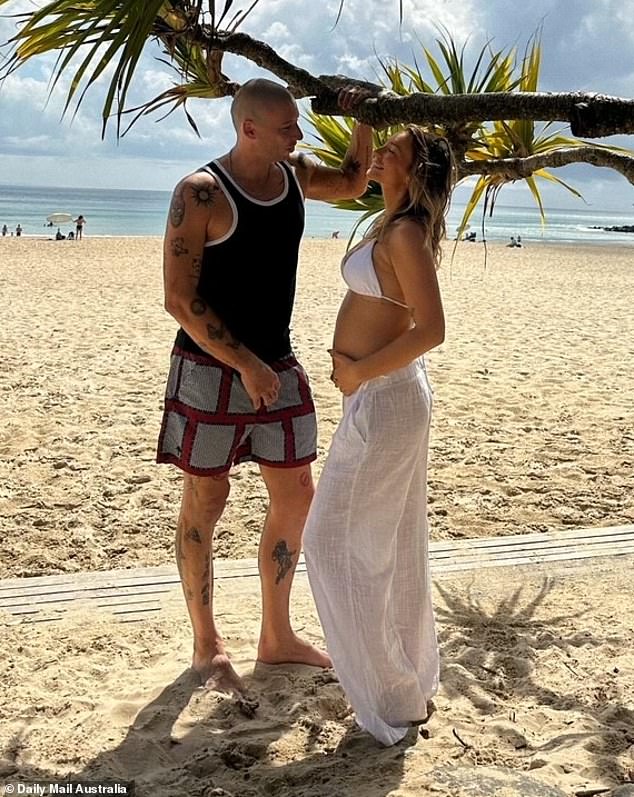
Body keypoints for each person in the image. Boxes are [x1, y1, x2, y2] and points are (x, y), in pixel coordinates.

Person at [156, 78, 373, 695]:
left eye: (297, 125)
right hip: (209, 371)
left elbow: (357, 182)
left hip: (277, 365)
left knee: (297, 495)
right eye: (286, 127)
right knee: (207, 500)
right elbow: (179, 297)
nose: (299, 135)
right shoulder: (200, 194)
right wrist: (244, 362)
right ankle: (207, 644)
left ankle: (275, 637)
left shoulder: (296, 174)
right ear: (248, 128)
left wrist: (362, 120)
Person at [303, 126, 454, 746]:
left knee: (332, 545)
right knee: (385, 543)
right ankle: (406, 686)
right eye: (383, 145)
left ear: (417, 171)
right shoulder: (388, 222)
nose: (382, 154)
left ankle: (394, 695)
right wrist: (360, 120)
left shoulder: (406, 233)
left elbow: (433, 327)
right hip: (379, 398)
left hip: (385, 396)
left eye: (396, 149)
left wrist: (361, 369)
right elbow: (355, 163)